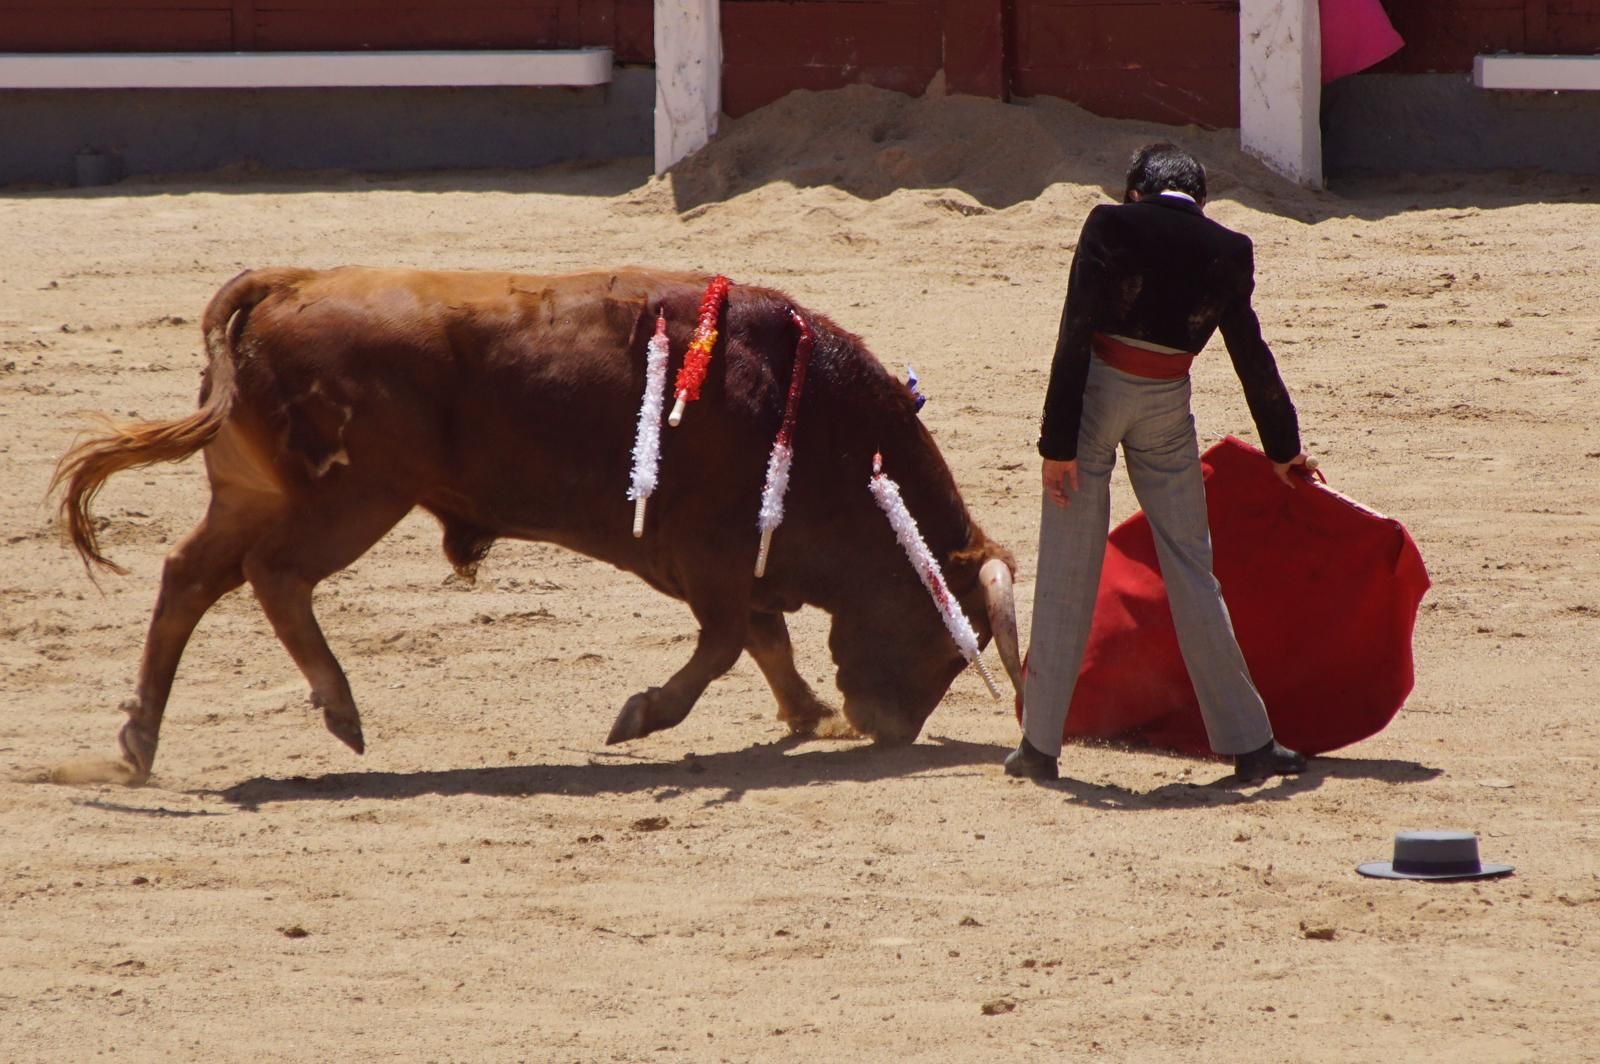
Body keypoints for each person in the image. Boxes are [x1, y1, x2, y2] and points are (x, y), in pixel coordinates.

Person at [1006, 142, 1311, 784]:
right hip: (1168, 402)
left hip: (1096, 396)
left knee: (1069, 565)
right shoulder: (1228, 248)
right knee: (1192, 569)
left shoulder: (1112, 224)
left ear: (1136, 192)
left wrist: (1054, 445)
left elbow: (1075, 331)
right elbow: (1250, 352)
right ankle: (1251, 745)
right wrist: (1283, 448)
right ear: (1201, 201)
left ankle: (1039, 747)